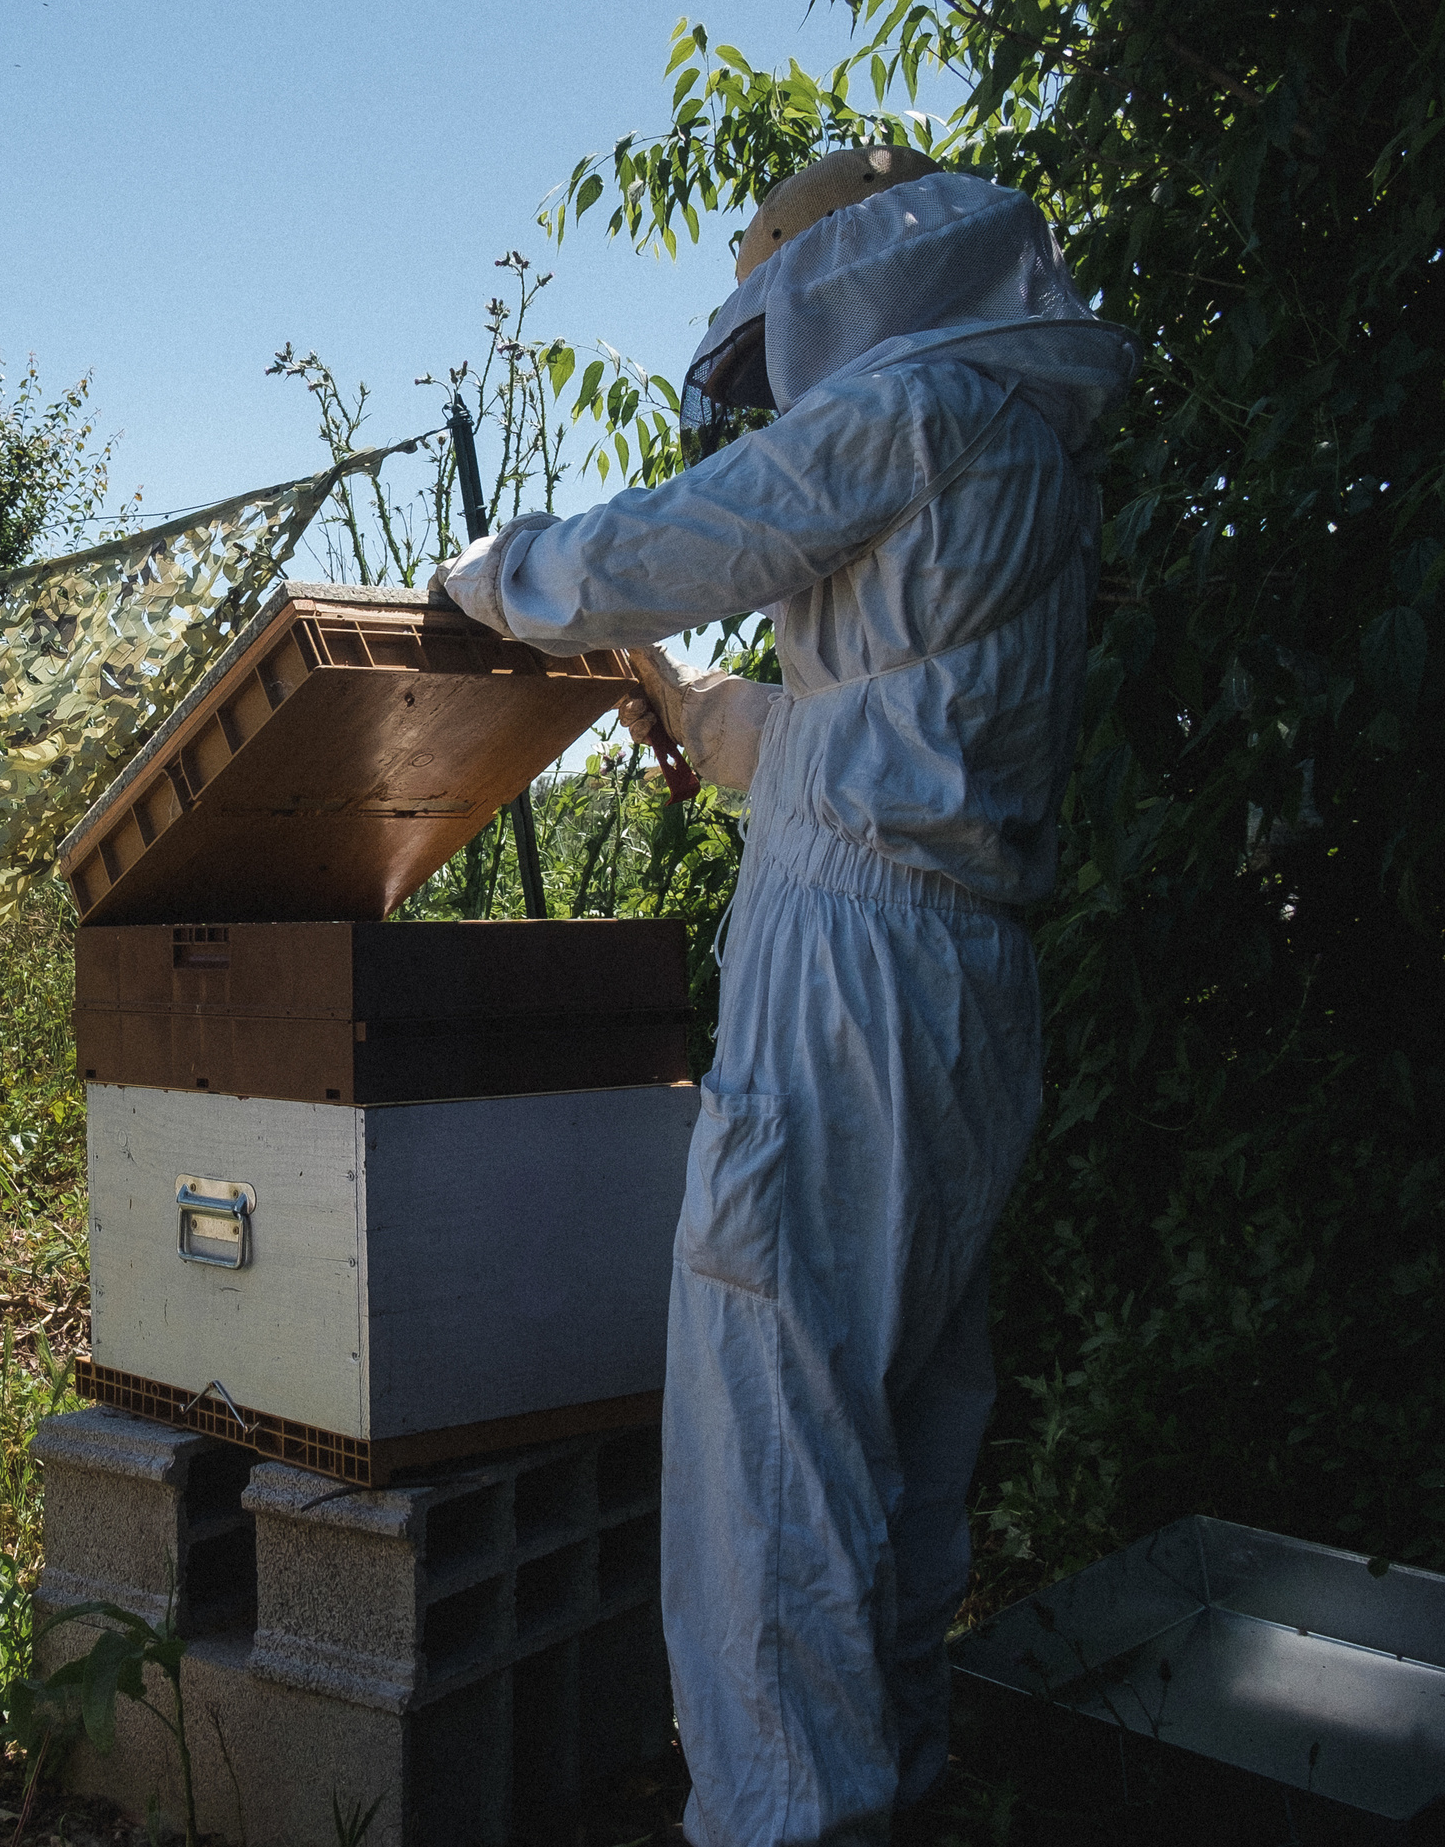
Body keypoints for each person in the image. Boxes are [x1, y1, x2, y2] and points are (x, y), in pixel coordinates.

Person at [431, 150, 1136, 1845]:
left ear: (847, 280)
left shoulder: (910, 414)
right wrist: (687, 698)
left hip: (856, 992)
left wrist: (491, 574)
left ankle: (789, 1820)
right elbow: (860, 737)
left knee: (779, 1426)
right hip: (960, 986)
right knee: (902, 1414)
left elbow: (658, 546)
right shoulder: (1015, 442)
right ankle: (890, 1786)